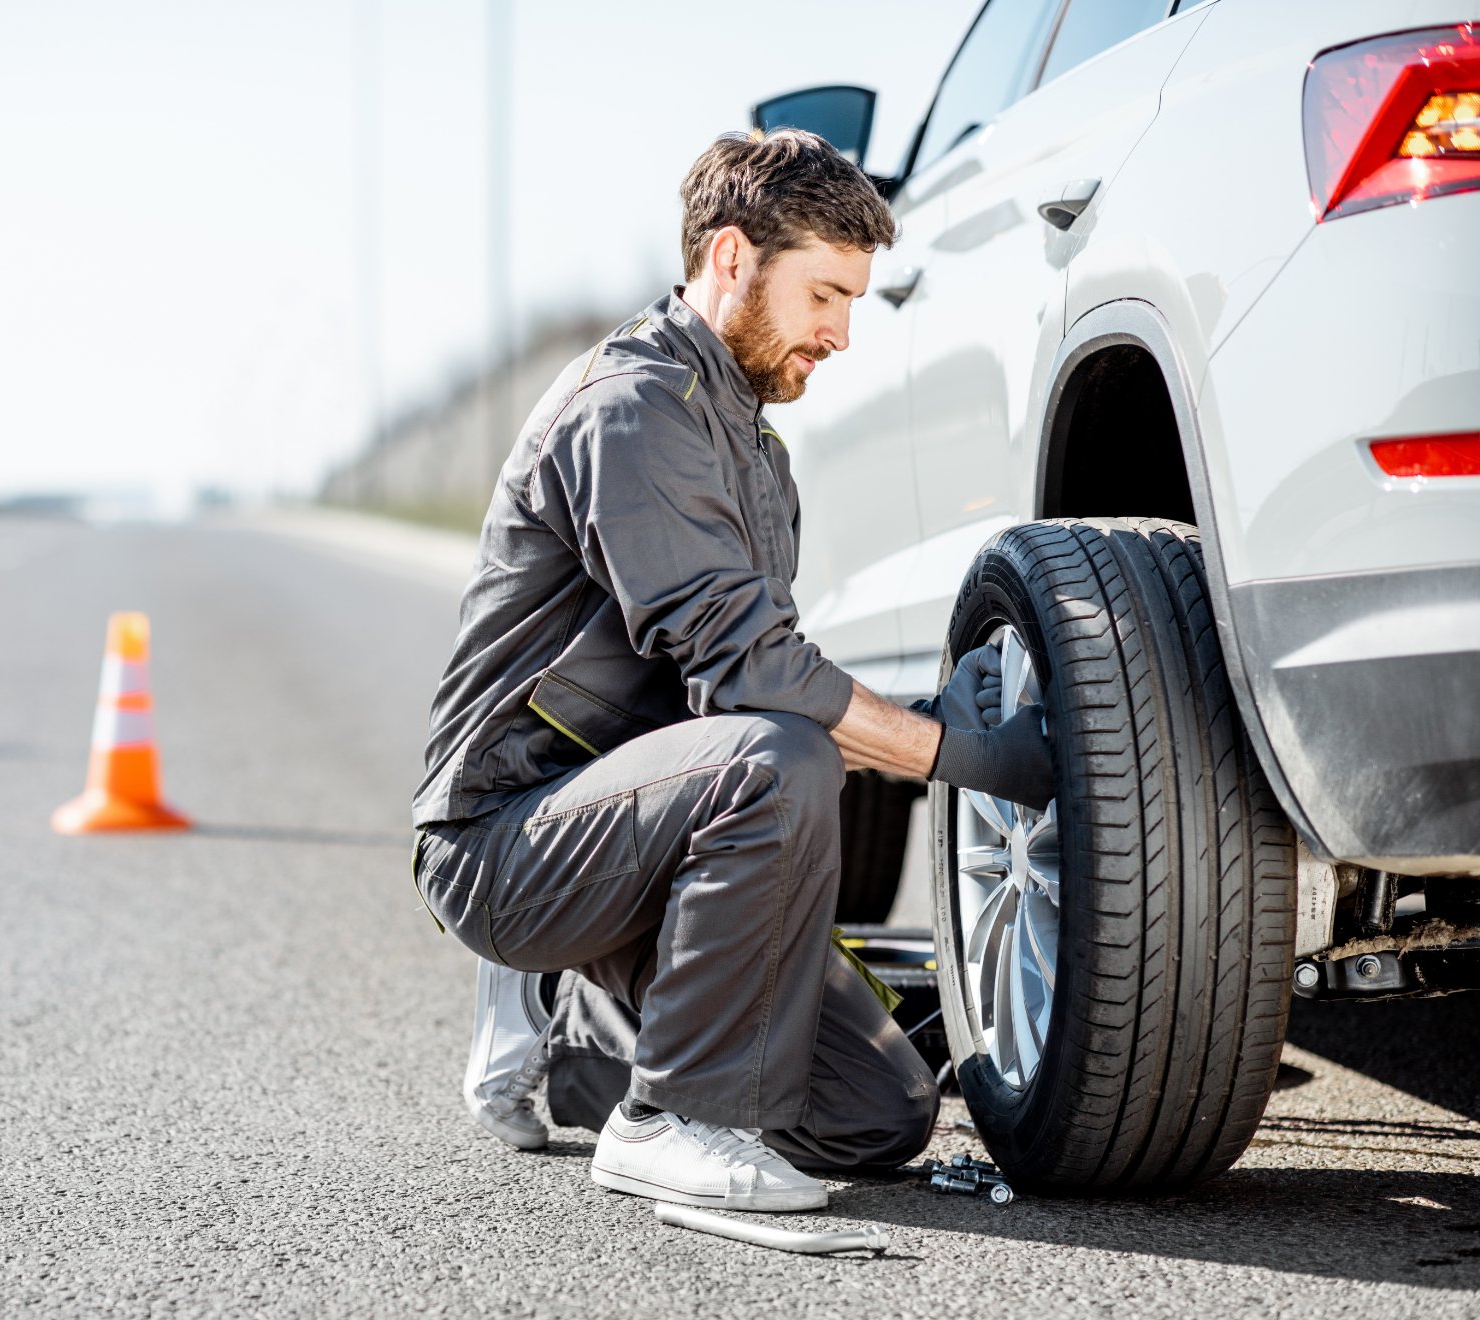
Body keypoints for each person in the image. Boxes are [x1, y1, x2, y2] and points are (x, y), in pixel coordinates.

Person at [411, 130, 1054, 1213]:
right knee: (774, 760)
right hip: (504, 836)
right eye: (824, 295)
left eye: (854, 301)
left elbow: (741, 685)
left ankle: (585, 1038)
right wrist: (957, 753)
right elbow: (754, 687)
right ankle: (672, 1120)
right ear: (728, 260)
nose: (843, 332)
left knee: (876, 1115)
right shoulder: (632, 410)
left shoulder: (755, 450)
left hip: (635, 829)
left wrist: (910, 721)